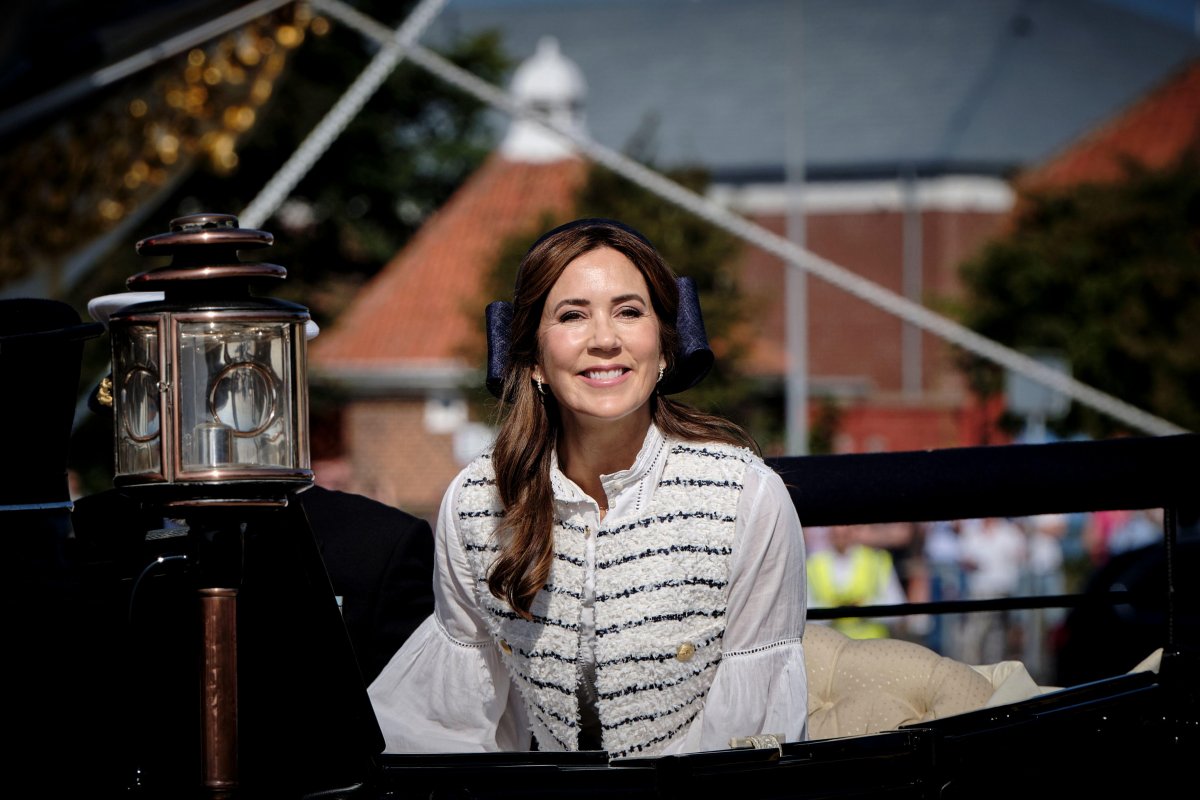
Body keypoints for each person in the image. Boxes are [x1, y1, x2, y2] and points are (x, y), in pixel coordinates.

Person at [368, 218, 807, 758]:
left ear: (665, 348)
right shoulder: (477, 503)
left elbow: (751, 731)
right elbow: (456, 726)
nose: (604, 339)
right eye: (573, 315)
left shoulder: (746, 497)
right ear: (532, 360)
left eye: (629, 311)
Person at [807, 524, 907, 639]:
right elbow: (805, 614)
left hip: (871, 646)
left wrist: (864, 608)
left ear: (855, 531)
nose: (841, 535)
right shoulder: (813, 564)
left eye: (845, 532)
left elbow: (897, 609)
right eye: (836, 532)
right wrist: (833, 611)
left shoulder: (877, 560)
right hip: (829, 647)